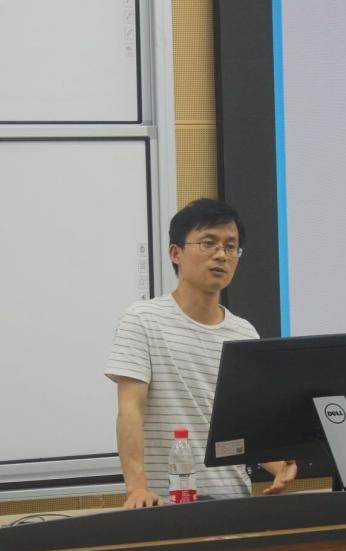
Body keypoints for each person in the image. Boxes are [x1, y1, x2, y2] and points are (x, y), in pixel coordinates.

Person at [105, 198, 297, 508]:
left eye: (231, 247)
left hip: (234, 503)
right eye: (208, 243)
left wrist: (278, 465)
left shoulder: (244, 333)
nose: (221, 255)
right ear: (175, 253)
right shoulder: (142, 320)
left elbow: (245, 426)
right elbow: (130, 410)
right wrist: (136, 489)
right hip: (164, 505)